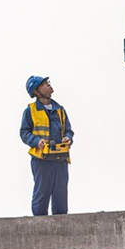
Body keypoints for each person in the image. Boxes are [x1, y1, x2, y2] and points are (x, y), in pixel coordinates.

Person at [20, 75, 74, 216]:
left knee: (60, 195)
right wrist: (37, 141)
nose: (49, 85)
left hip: (60, 159)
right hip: (41, 160)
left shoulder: (60, 110)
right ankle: (39, 227)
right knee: (42, 193)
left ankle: (61, 227)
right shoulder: (30, 111)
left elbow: (69, 130)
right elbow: (24, 133)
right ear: (37, 91)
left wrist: (68, 138)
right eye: (45, 84)